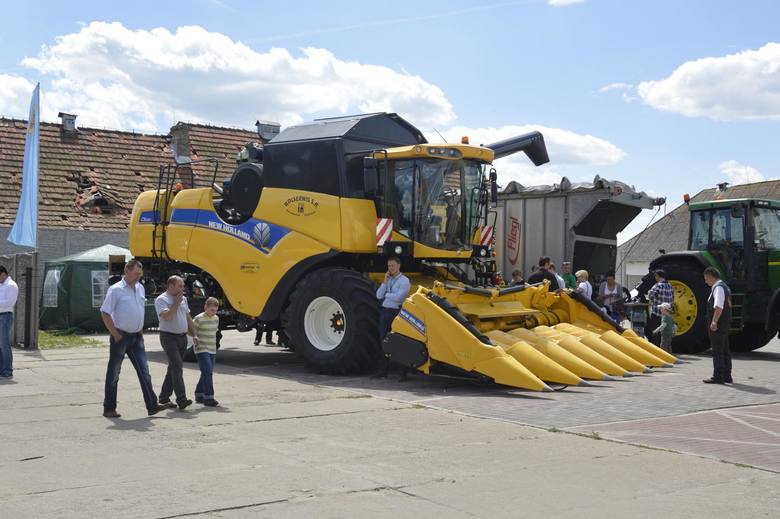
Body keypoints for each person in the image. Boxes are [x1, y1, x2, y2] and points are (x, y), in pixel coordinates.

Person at [100, 260, 166, 418]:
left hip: (137, 337)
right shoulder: (116, 290)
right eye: (136, 273)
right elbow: (105, 312)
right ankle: (109, 408)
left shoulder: (140, 288)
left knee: (145, 372)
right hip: (121, 336)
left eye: (140, 274)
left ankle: (152, 405)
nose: (139, 277)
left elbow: (139, 309)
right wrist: (115, 334)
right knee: (114, 373)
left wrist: (140, 329)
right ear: (127, 271)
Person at [155, 275, 198, 410]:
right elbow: (167, 317)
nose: (183, 288)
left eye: (183, 286)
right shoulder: (162, 299)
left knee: (173, 368)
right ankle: (182, 399)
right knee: (177, 366)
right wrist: (176, 303)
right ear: (171, 286)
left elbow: (188, 317)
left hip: (182, 337)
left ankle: (163, 397)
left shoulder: (183, 299)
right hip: (168, 337)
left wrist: (195, 334)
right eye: (180, 286)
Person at [373, 256, 411, 380]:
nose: (390, 268)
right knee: (383, 341)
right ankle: (382, 371)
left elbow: (399, 298)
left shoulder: (404, 281)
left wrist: (387, 295)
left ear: (399, 266)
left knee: (399, 342)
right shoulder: (388, 280)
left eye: (393, 266)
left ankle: (402, 373)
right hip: (385, 312)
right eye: (389, 266)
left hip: (396, 313)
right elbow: (379, 295)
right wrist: (384, 281)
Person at [702, 267, 733, 384]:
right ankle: (727, 375)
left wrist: (714, 321)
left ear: (711, 276)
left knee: (717, 350)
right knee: (725, 349)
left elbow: (718, 306)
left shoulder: (718, 288)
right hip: (725, 323)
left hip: (718, 324)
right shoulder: (725, 287)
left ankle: (718, 376)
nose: (706, 281)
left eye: (706, 278)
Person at [193, 297, 220, 406]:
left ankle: (199, 393)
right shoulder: (198, 318)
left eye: (215, 310)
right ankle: (209, 397)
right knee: (208, 372)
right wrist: (195, 337)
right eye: (211, 310)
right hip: (201, 349)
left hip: (212, 349)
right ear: (205, 307)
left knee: (206, 372)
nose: (213, 312)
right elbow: (191, 330)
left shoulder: (216, 318)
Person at [646, 269, 674, 345]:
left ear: (657, 276)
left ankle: (657, 350)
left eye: (655, 276)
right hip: (667, 315)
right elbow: (672, 300)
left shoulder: (657, 286)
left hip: (657, 313)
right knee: (665, 335)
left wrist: (649, 294)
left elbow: (651, 297)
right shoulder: (670, 286)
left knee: (656, 334)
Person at [0, 266, 19, 379]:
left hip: (5, 317)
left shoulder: (11, 285)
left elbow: (10, 302)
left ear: (2, 274)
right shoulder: (2, 285)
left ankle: (7, 370)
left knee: (4, 344)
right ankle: (2, 369)